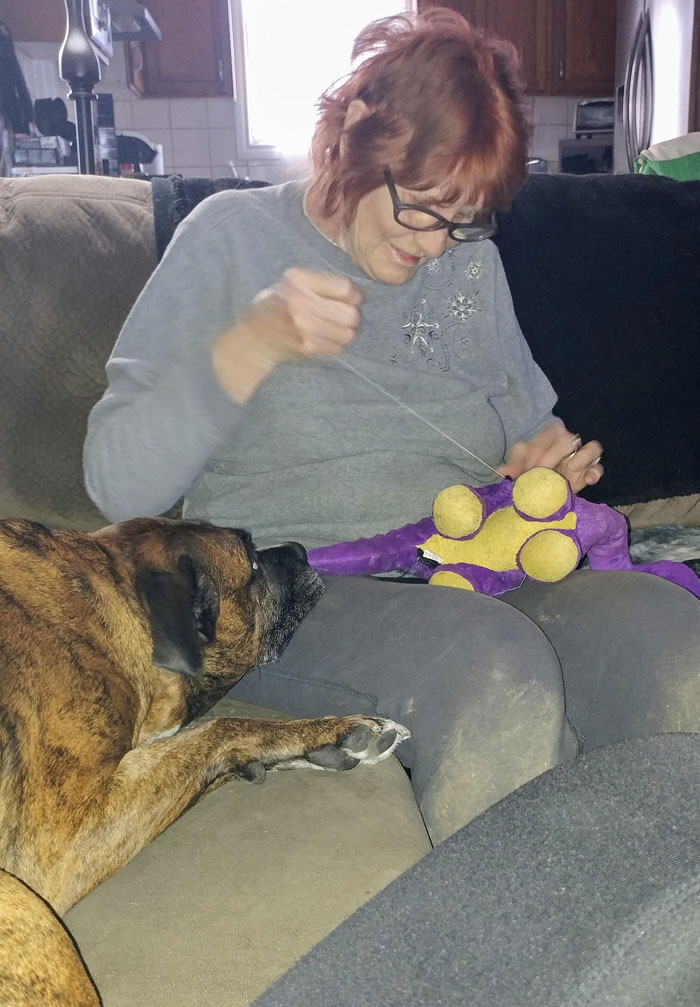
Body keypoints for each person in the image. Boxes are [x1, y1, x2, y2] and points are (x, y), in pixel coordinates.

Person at [83, 8, 700, 844]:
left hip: (472, 567)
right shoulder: (229, 237)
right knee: (496, 678)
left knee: (672, 646)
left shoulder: (470, 263)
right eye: (424, 211)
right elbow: (116, 481)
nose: (440, 246)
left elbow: (529, 427)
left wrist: (541, 462)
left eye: (464, 219)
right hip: (289, 593)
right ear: (354, 142)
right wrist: (251, 344)